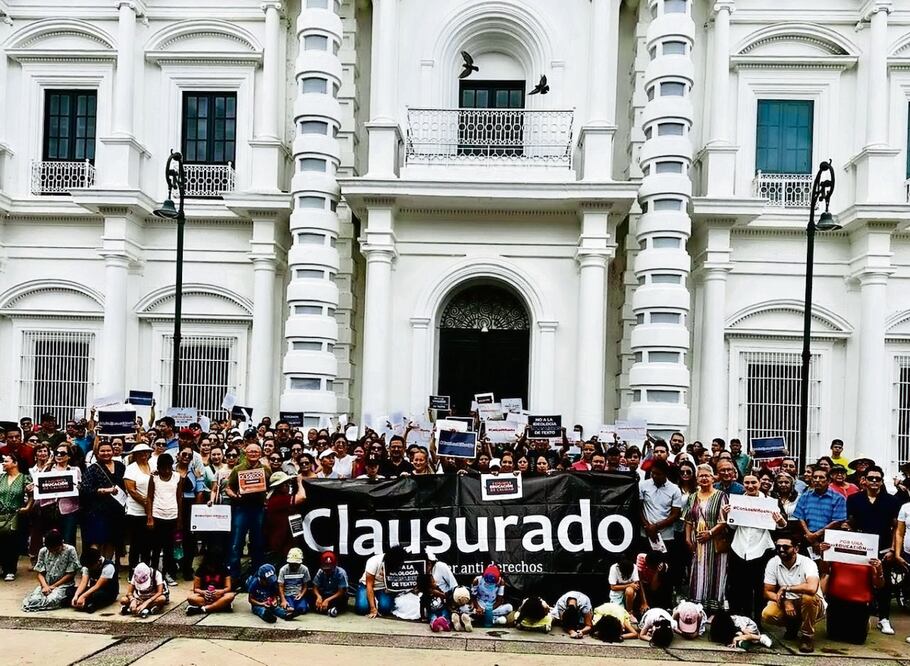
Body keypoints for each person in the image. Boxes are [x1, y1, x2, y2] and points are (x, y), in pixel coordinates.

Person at [722, 473, 787, 625]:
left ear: (760, 483)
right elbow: (732, 525)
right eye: (747, 483)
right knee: (738, 586)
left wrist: (780, 521)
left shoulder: (770, 502)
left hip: (761, 548)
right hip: (739, 547)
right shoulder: (737, 501)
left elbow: (781, 526)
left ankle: (756, 621)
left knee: (758, 587)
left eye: (753, 482)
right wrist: (727, 514)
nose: (750, 486)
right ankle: (737, 620)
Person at [846, 465, 900, 635]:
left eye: (878, 479)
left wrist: (893, 549)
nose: (874, 481)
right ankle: (861, 616)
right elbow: (851, 522)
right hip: (861, 549)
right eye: (871, 478)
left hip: (884, 549)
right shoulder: (854, 499)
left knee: (885, 586)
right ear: (864, 480)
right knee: (860, 582)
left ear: (882, 481)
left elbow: (896, 528)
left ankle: (884, 619)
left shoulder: (892, 501)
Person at [762, 534, 825, 653]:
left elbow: (812, 588)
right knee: (767, 614)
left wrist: (787, 588)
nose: (781, 550)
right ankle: (792, 626)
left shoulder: (807, 563)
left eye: (786, 547)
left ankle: (807, 637)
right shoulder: (773, 562)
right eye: (778, 547)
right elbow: (767, 592)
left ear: (796, 549)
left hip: (811, 603)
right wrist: (786, 601)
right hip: (788, 601)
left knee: (808, 599)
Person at [684, 464, 729, 611]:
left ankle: (714, 608)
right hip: (698, 541)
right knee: (698, 571)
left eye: (707, 475)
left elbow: (724, 521)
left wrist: (709, 533)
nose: (704, 478)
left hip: (715, 541)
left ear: (713, 478)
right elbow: (688, 520)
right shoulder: (692, 497)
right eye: (701, 476)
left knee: (716, 572)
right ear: (697, 479)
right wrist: (687, 539)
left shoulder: (721, 495)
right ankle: (698, 606)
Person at [226, 441, 271, 581]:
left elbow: (271, 487)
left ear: (260, 454)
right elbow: (228, 488)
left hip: (258, 509)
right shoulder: (238, 469)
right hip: (242, 509)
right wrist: (235, 496)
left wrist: (267, 498)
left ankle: (257, 575)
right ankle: (234, 576)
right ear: (245, 453)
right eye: (250, 451)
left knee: (257, 542)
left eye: (256, 452)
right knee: (236, 543)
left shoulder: (266, 470)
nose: (253, 454)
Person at [82, 441, 126, 560]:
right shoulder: (92, 469)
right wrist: (105, 490)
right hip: (98, 510)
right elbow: (85, 489)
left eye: (108, 450)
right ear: (97, 453)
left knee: (111, 540)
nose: (106, 453)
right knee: (97, 540)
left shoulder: (120, 466)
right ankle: (94, 566)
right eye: (102, 451)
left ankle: (107, 567)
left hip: (117, 510)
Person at [793, 467, 846, 564]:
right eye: (815, 477)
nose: (817, 480)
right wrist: (810, 536)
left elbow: (837, 521)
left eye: (821, 478)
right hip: (807, 538)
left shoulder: (838, 498)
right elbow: (800, 517)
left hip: (828, 540)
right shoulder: (805, 496)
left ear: (829, 480)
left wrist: (816, 535)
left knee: (826, 571)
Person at [22, 529, 80, 612]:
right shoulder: (43, 551)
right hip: (46, 584)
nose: (53, 552)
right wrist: (45, 586)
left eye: (56, 549)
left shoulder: (70, 550)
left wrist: (54, 586)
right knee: (33, 600)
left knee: (52, 600)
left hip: (63, 585)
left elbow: (71, 573)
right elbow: (40, 573)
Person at [146, 453, 181, 586]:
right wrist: (149, 517)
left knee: (169, 548)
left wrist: (179, 519)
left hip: (172, 516)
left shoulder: (177, 477)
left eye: (168, 468)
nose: (166, 471)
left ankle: (168, 574)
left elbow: (179, 498)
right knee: (155, 548)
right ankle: (154, 575)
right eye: (163, 468)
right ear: (158, 467)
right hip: (157, 515)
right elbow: (149, 497)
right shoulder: (154, 478)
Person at [639, 459, 683, 554]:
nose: (654, 476)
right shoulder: (643, 485)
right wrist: (647, 527)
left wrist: (655, 527)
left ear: (665, 473)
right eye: (653, 473)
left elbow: (675, 515)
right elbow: (638, 508)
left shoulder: (675, 490)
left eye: (658, 474)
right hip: (645, 534)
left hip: (666, 536)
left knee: (664, 565)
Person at [0, 452, 32, 580]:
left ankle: (10, 569)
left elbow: (32, 495)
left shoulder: (25, 478)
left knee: (12, 542)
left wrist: (28, 507)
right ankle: (3, 566)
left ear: (15, 463)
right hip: (0, 514)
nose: (3, 463)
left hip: (15, 514)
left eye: (6, 461)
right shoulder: (1, 478)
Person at [123, 443, 153, 575]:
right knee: (136, 544)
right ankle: (133, 573)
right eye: (140, 452)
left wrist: (151, 507)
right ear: (135, 455)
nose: (144, 455)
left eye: (146, 452)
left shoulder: (153, 465)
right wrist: (146, 503)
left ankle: (146, 573)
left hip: (151, 511)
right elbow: (131, 490)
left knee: (147, 544)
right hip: (135, 511)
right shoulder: (131, 468)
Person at [264, 471, 306, 563]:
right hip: (280, 543)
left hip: (288, 539)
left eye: (288, 483)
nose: (288, 486)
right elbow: (302, 497)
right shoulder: (277, 500)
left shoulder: (283, 497)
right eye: (285, 484)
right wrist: (299, 482)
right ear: (278, 487)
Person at [356, 545, 406, 617]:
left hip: (383, 587)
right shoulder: (373, 561)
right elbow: (369, 585)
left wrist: (390, 589)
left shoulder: (400, 563)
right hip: (366, 585)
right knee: (362, 608)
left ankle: (378, 602)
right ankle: (372, 602)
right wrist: (373, 608)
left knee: (385, 609)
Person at [185, 549, 236, 616]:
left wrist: (221, 591)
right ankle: (221, 606)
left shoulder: (224, 569)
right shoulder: (200, 570)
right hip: (205, 596)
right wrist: (204, 592)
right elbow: (196, 589)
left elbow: (228, 587)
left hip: (219, 595)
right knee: (191, 598)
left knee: (230, 596)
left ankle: (204, 609)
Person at [72, 547, 119, 613]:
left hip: (106, 592)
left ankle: (88, 604)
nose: (90, 568)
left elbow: (98, 585)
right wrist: (76, 595)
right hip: (92, 590)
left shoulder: (108, 566)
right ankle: (85, 604)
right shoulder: (87, 566)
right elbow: (83, 583)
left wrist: (83, 596)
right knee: (70, 591)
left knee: (97, 596)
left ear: (98, 561)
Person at [312, 551, 349, 617]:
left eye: (329, 569)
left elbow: (341, 592)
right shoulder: (320, 571)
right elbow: (315, 587)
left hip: (336, 596)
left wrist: (327, 600)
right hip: (325, 594)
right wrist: (318, 596)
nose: (327, 571)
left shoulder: (341, 573)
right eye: (325, 569)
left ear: (335, 565)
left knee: (341, 601)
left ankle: (331, 609)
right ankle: (328, 609)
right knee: (311, 599)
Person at [278, 547, 311, 616]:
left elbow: (305, 585)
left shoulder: (304, 569)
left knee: (302, 609)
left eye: (296, 564)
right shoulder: (283, 570)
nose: (294, 566)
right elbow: (280, 586)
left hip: (298, 594)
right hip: (287, 595)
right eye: (292, 564)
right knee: (289, 608)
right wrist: (283, 600)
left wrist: (301, 594)